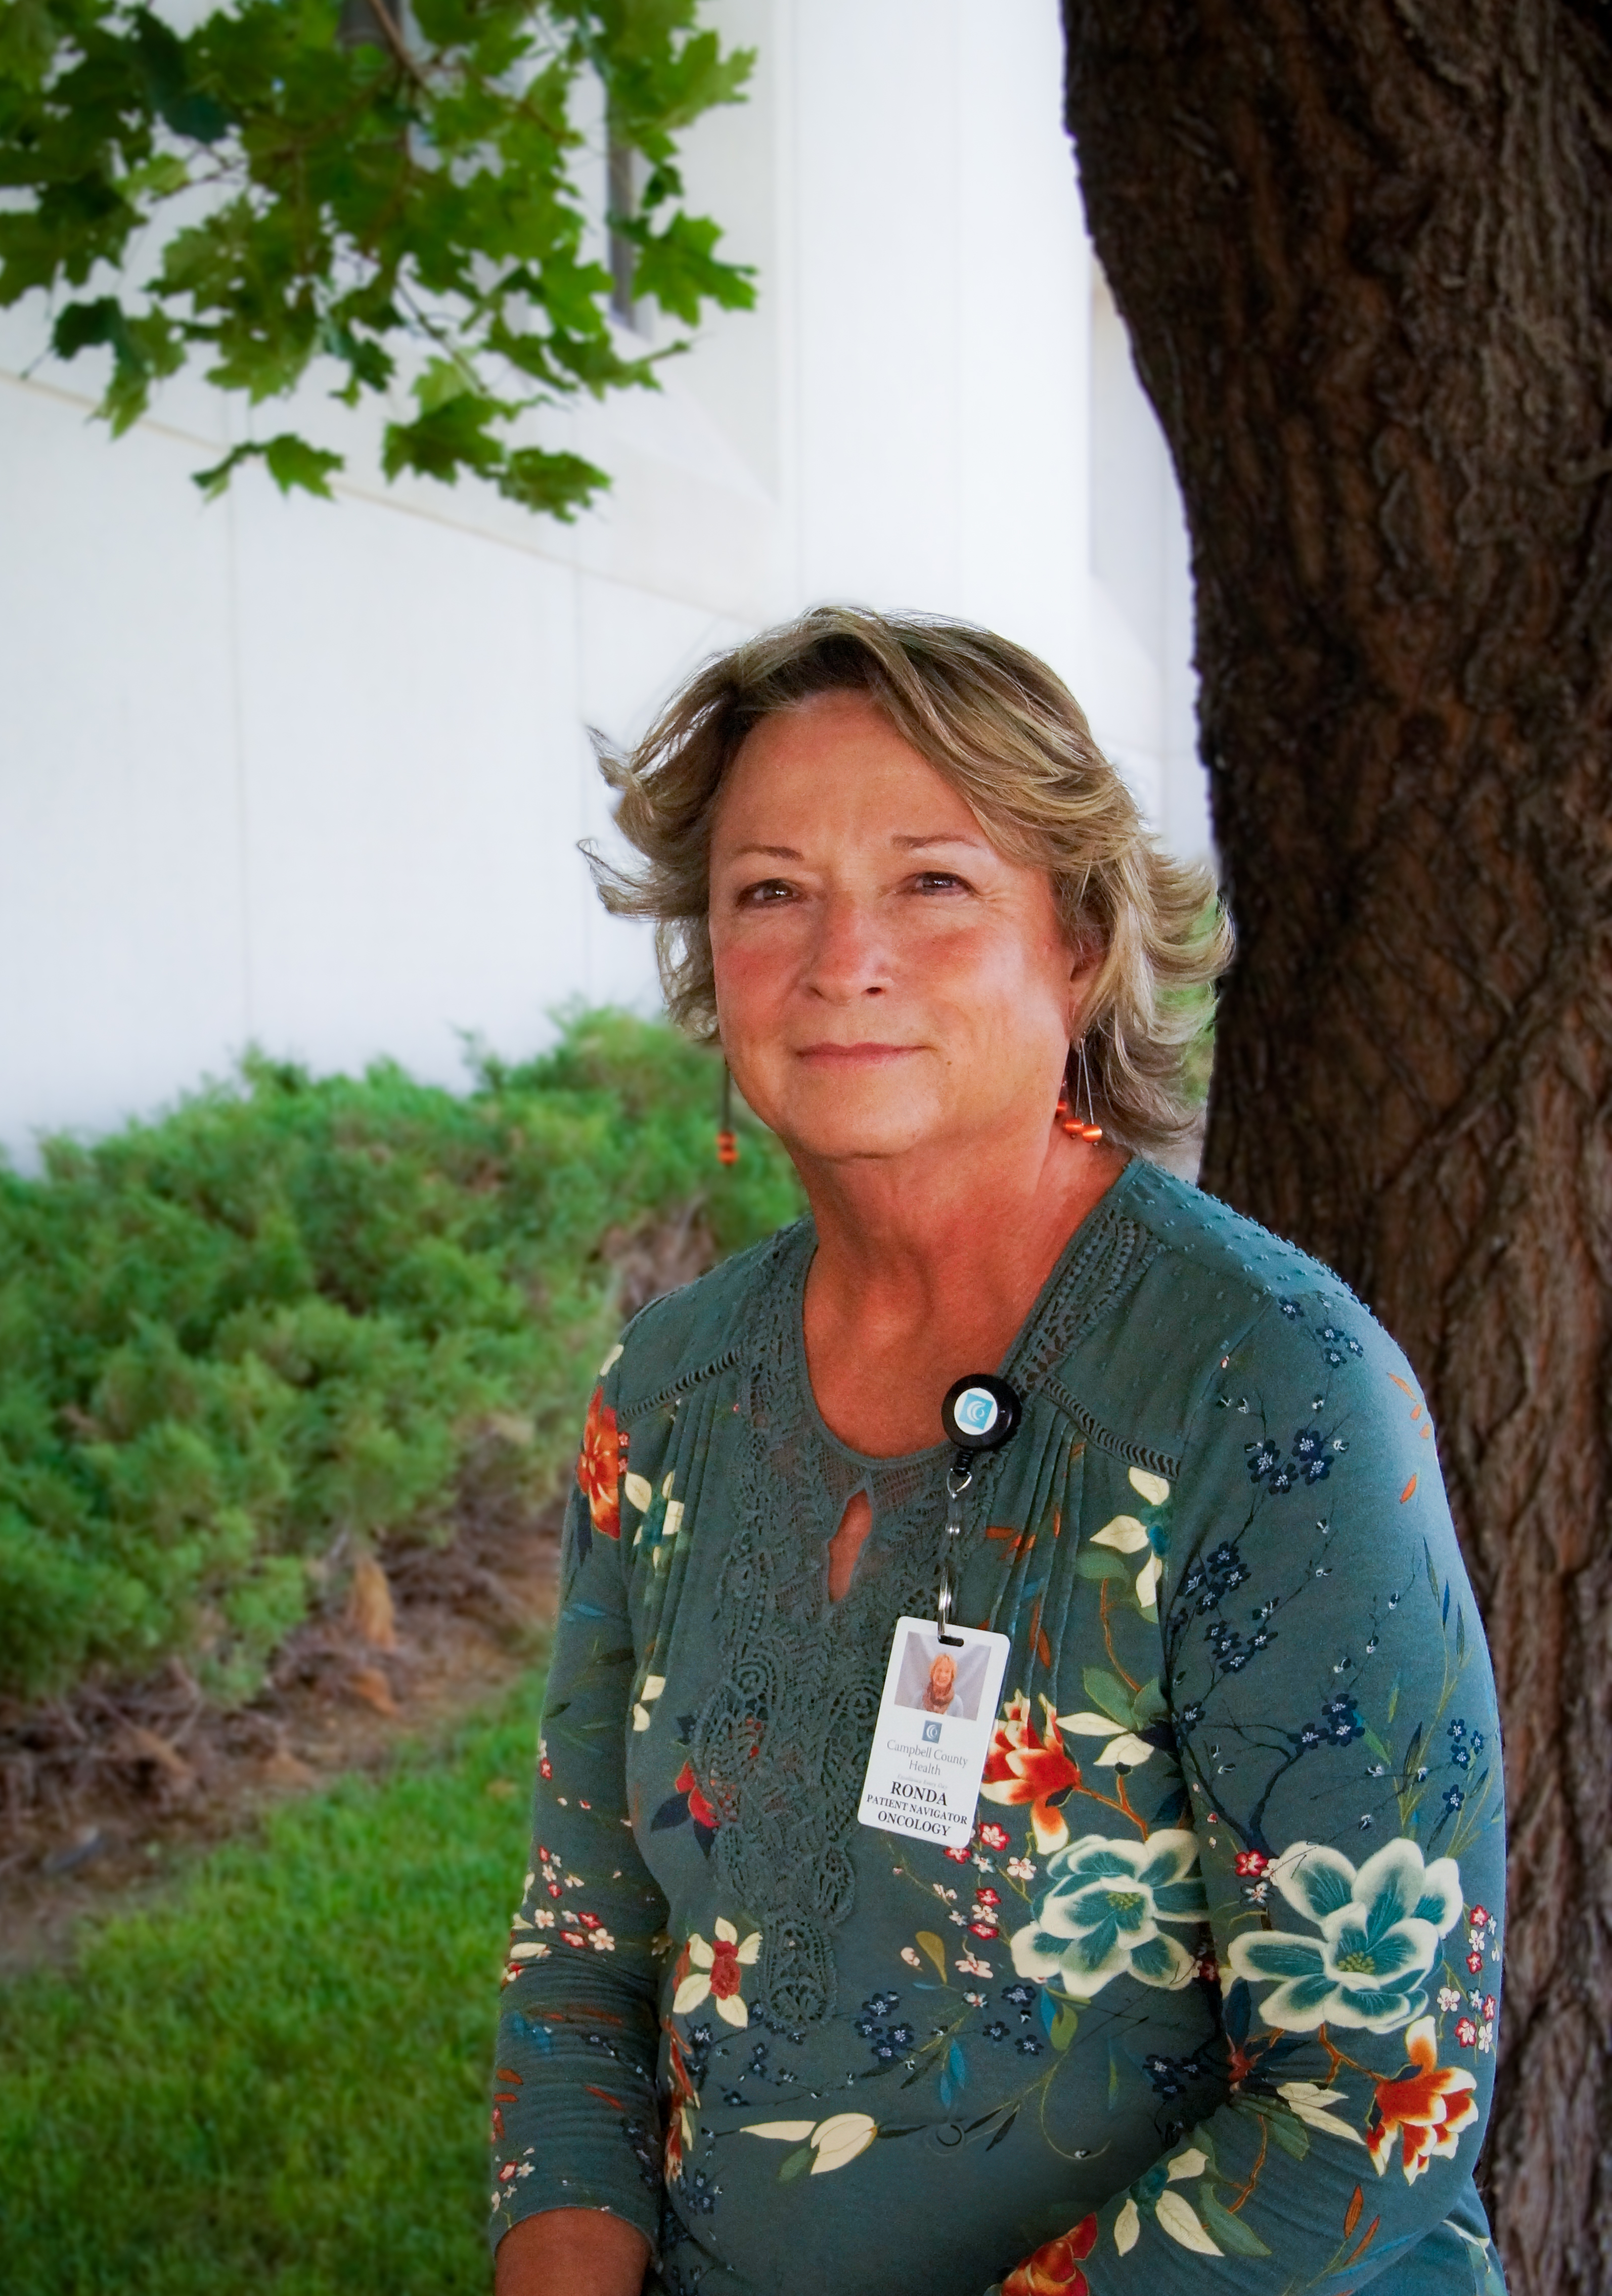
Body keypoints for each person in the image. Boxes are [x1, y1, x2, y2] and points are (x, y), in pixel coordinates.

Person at [489, 609, 1504, 2296]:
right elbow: (583, 1961)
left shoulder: (1267, 1389)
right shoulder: (661, 1393)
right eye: (768, 892)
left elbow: (1375, 2098)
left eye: (933, 883)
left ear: (1085, 945)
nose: (840, 958)